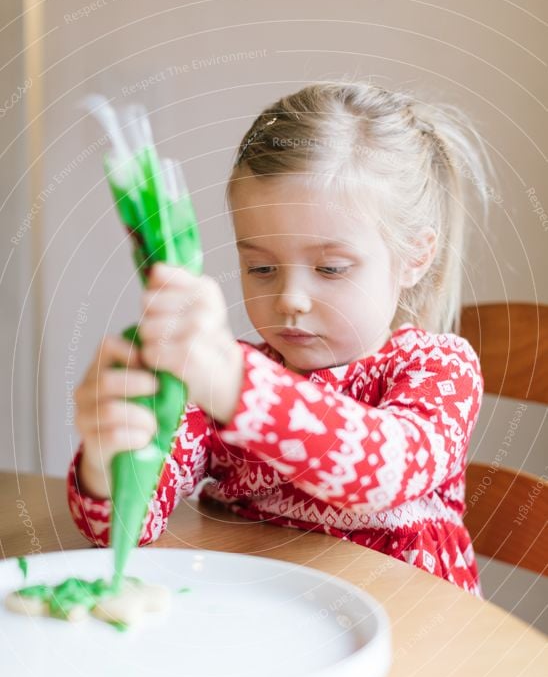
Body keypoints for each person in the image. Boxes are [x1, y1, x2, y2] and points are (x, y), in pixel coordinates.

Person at [68, 80, 492, 597]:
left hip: (413, 642)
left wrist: (235, 385)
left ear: (414, 257)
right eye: (261, 267)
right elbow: (123, 531)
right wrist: (109, 454)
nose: (291, 296)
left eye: (331, 268)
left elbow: (382, 472)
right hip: (267, 628)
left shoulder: (437, 369)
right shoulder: (220, 386)